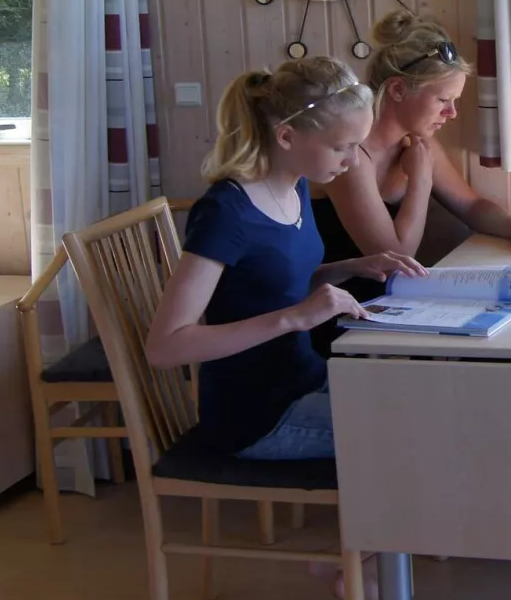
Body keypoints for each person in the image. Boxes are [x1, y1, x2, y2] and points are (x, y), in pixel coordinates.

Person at [146, 57, 426, 461]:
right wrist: (295, 318)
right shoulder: (226, 213)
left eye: (356, 146)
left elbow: (268, 287)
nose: (351, 162)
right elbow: (164, 347)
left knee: (429, 398)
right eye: (341, 147)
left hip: (304, 380)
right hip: (256, 416)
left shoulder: (296, 188)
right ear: (287, 136)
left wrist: (352, 267)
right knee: (419, 432)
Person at [312, 10, 511, 293]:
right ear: (398, 90)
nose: (451, 113)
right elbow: (396, 259)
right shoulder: (351, 156)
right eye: (443, 100)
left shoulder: (417, 141)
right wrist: (421, 180)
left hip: (391, 300)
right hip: (338, 312)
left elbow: (472, 207)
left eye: (454, 100)